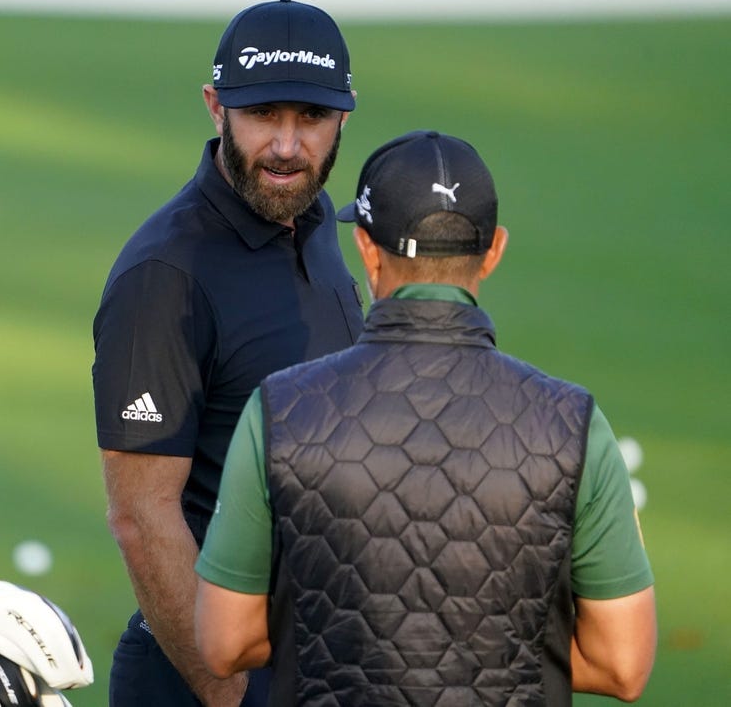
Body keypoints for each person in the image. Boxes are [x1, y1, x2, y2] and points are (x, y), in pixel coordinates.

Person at [194, 130, 657, 705]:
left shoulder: (279, 411)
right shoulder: (575, 424)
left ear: (365, 248)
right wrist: (487, 653)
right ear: (494, 250)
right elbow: (622, 664)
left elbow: (222, 640)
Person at [92, 0, 365, 707]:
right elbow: (142, 516)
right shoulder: (166, 276)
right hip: (206, 678)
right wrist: (232, 694)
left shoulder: (315, 225)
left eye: (309, 118)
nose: (285, 145)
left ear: (344, 115)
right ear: (216, 107)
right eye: (263, 116)